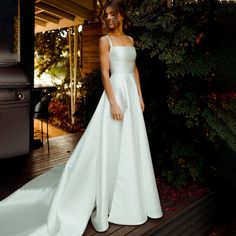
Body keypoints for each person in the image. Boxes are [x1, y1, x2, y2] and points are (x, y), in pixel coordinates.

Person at [0, 0, 163, 235]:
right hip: (116, 94)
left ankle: (133, 198)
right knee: (111, 145)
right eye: (105, 14)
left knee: (131, 144)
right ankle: (108, 195)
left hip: (131, 95)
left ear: (121, 16)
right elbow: (106, 75)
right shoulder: (104, 41)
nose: (108, 18)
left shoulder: (130, 40)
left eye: (112, 14)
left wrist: (139, 95)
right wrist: (114, 102)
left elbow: (134, 68)